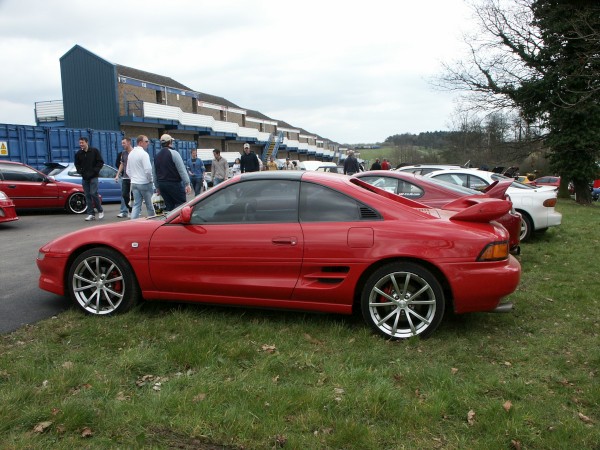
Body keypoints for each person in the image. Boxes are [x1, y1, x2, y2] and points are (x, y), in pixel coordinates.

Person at [153, 134, 191, 211]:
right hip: (174, 183)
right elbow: (181, 169)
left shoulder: (156, 156)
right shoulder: (174, 153)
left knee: (168, 206)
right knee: (181, 205)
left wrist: (157, 187)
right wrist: (187, 183)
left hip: (162, 184)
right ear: (170, 142)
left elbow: (154, 173)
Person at [74, 137, 104, 221]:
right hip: (85, 177)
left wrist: (95, 171)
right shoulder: (79, 153)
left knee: (93, 193)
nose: (81, 144)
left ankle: (100, 210)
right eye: (80, 143)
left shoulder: (94, 151)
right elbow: (77, 164)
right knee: (87, 195)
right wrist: (80, 171)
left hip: (93, 176)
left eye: (82, 142)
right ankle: (91, 214)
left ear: (86, 142)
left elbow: (100, 162)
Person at [126, 135, 155, 219]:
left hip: (134, 183)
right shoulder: (144, 154)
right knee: (150, 205)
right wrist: (150, 180)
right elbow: (148, 170)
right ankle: (153, 222)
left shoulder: (131, 154)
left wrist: (133, 178)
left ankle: (133, 223)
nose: (148, 143)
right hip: (144, 183)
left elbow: (128, 170)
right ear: (140, 142)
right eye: (146, 141)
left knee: (136, 204)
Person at [115, 137, 134, 218]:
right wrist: (117, 174)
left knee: (135, 195)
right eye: (122, 143)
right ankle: (130, 209)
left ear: (129, 142)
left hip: (134, 178)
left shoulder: (134, 152)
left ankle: (136, 210)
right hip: (125, 177)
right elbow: (122, 164)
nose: (122, 145)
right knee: (124, 194)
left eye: (124, 143)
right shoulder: (123, 153)